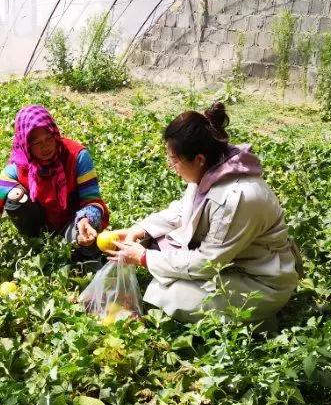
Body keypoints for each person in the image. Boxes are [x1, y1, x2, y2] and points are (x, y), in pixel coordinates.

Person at [108, 102, 301, 326]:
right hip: (232, 261)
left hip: (258, 280)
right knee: (158, 244)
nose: (172, 167)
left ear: (199, 159)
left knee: (166, 294)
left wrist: (143, 258)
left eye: (174, 161)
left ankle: (262, 318)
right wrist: (139, 230)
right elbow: (182, 211)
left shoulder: (238, 197)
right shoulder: (210, 169)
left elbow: (208, 262)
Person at [0, 105, 109, 279]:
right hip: (40, 224)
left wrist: (86, 220)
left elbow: (93, 200)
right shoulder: (19, 166)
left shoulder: (77, 157)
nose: (46, 147)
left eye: (49, 138)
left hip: (72, 222)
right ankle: (39, 242)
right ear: (25, 144)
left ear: (55, 133)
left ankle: (85, 253)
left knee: (88, 233)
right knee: (14, 198)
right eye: (36, 143)